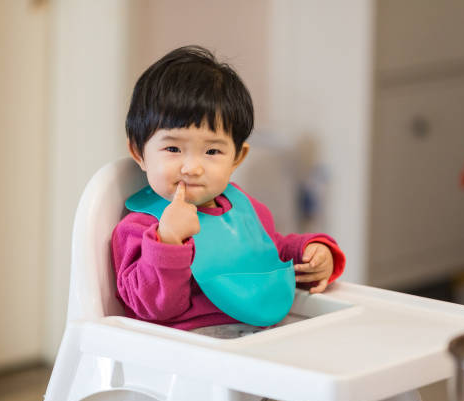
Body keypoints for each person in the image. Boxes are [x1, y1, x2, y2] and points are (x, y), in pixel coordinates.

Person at [111, 45, 346, 334]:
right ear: (138, 152)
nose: (192, 167)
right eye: (173, 148)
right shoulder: (139, 227)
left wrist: (310, 254)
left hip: (254, 341)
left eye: (212, 151)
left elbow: (266, 252)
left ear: (237, 158)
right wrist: (168, 241)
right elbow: (154, 308)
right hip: (188, 353)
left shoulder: (242, 206)